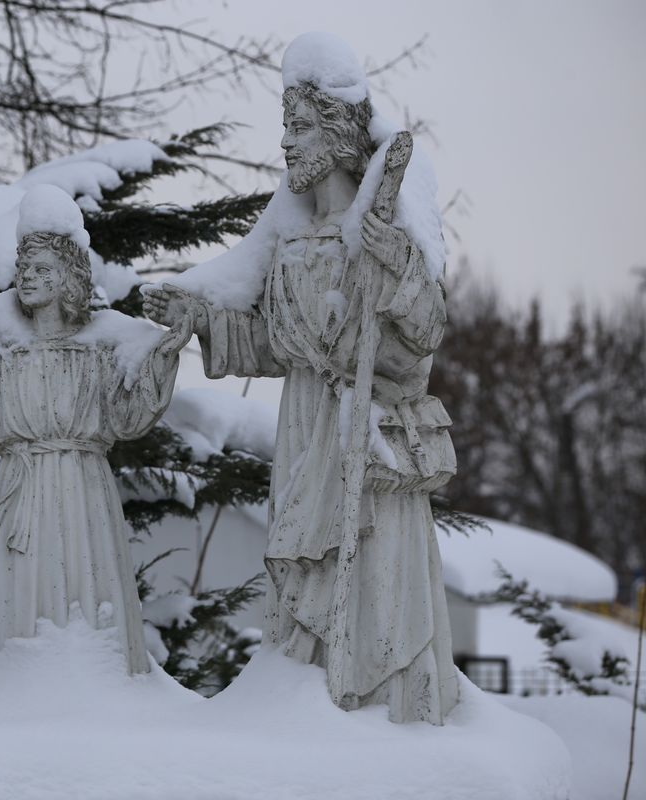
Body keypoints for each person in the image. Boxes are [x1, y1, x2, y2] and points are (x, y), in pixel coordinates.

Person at [144, 33, 459, 724]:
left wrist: (395, 267)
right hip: (305, 427)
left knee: (373, 571)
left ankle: (380, 704)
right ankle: (304, 704)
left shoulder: (384, 231)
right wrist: (201, 319)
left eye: (301, 126)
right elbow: (276, 346)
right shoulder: (289, 240)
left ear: (341, 132)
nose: (286, 142)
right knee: (303, 573)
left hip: (364, 433)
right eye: (285, 125)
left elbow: (423, 340)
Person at [0, 208, 189, 674]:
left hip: (84, 488)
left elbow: (129, 416)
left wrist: (166, 352)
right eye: (23, 268)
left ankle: (98, 682)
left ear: (68, 277)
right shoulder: (2, 349)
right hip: (25, 490)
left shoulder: (101, 345)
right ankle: (21, 685)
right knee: (26, 596)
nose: (27, 277)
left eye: (41, 269)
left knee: (87, 587)